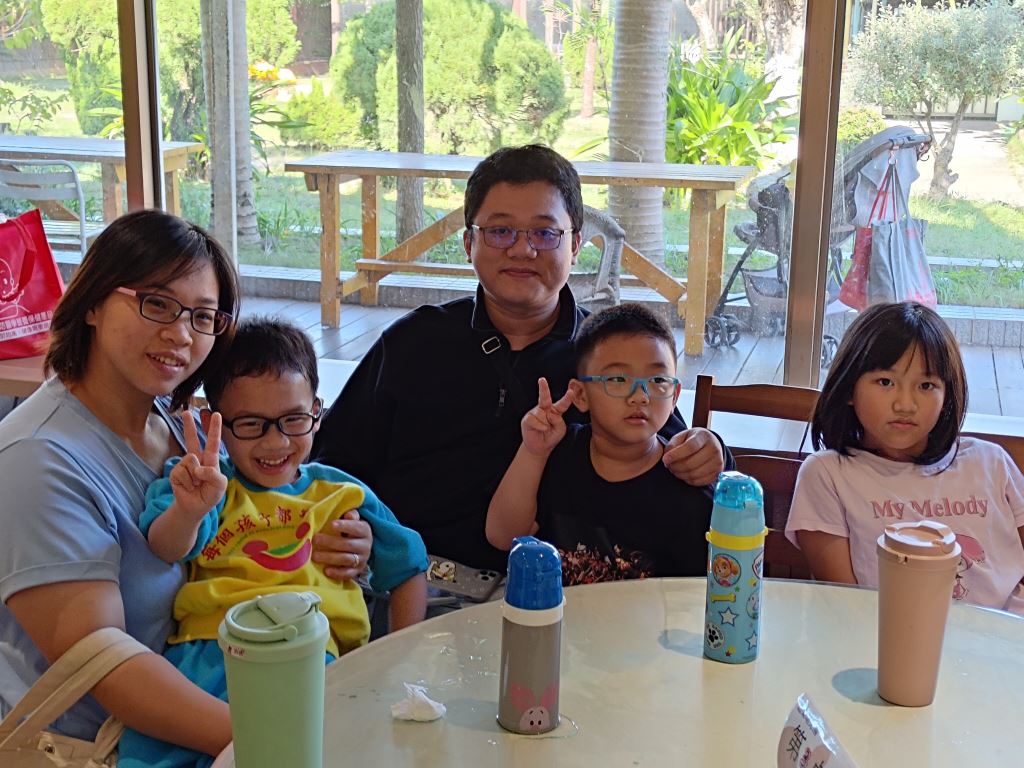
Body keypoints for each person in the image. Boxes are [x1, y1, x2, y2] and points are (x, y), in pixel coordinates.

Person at [0, 211, 372, 759]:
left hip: (223, 690)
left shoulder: (179, 428)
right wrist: (283, 739)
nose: (180, 334)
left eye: (202, 316)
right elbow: (103, 666)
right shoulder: (37, 461)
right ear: (94, 302)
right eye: (156, 303)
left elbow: (254, 522)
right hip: (106, 746)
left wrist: (341, 541)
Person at [313, 144, 729, 572]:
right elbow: (331, 467)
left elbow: (675, 447)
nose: (522, 250)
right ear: (468, 243)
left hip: (557, 589)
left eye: (545, 233)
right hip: (408, 577)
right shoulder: (413, 342)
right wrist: (348, 527)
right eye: (500, 231)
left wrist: (710, 451)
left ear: (575, 245)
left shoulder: (607, 357)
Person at [119, 317, 428, 768]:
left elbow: (410, 565)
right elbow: (167, 547)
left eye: (293, 420)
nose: (276, 441)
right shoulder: (204, 483)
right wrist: (190, 509)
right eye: (251, 424)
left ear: (317, 413)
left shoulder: (342, 493)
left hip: (315, 662)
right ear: (213, 423)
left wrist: (397, 658)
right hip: (207, 658)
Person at [785, 301, 1024, 614]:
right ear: (848, 388)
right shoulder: (827, 475)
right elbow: (847, 606)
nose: (905, 405)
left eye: (926, 385)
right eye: (885, 382)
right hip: (891, 637)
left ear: (946, 395)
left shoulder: (990, 461)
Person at [486, 304, 715, 585]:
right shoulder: (560, 454)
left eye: (658, 380)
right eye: (618, 379)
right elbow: (503, 537)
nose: (640, 396)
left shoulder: (687, 488)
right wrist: (533, 452)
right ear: (581, 395)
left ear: (675, 396)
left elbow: (694, 597)